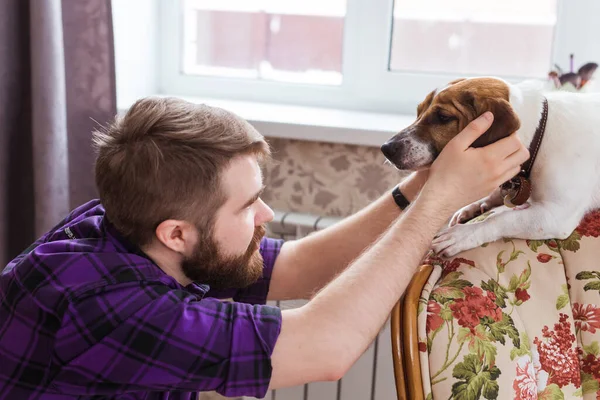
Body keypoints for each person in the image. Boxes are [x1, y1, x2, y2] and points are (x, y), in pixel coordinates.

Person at [0, 97, 529, 399]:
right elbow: (326, 347)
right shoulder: (117, 309)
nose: (267, 215)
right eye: (248, 204)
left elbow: (299, 265)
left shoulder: (119, 225)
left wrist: (417, 188)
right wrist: (438, 204)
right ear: (176, 233)